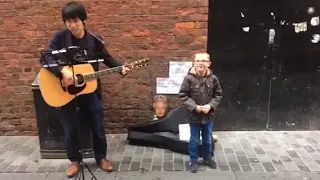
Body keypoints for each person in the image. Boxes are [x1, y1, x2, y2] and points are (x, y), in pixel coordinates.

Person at [40, 1, 130, 178]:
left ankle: (101, 157)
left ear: (84, 20)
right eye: (68, 21)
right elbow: (45, 58)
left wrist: (120, 68)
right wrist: (62, 70)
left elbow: (106, 58)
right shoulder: (59, 38)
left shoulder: (94, 40)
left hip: (91, 91)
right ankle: (75, 161)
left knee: (97, 125)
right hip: (66, 92)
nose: (72, 25)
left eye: (76, 21)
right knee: (71, 128)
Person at [178, 52, 222, 173]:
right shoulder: (188, 79)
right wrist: (194, 107)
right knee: (194, 140)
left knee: (208, 139)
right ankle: (193, 160)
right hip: (194, 117)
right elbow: (183, 95)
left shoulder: (213, 79)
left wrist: (210, 105)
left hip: (208, 116)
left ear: (209, 63)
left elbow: (218, 94)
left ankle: (207, 158)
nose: (200, 63)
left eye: (203, 60)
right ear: (194, 63)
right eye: (198, 61)